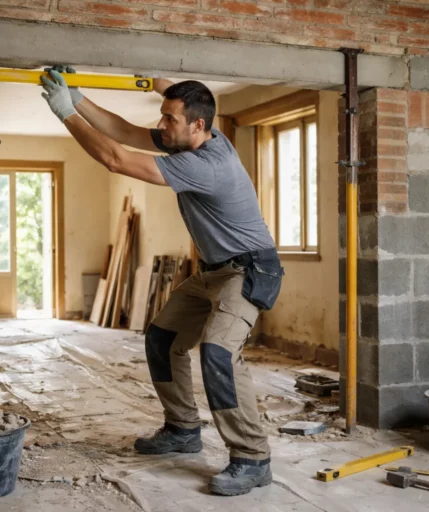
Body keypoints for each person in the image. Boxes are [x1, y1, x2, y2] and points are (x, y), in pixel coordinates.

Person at [40, 67, 284, 496]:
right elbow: (125, 129)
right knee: (161, 338)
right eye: (165, 115)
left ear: (197, 125)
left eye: (168, 119)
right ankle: (183, 429)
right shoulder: (202, 131)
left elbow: (116, 157)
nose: (160, 125)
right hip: (212, 271)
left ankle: (252, 457)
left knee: (218, 353)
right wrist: (84, 95)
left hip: (249, 270)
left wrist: (66, 114)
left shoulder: (205, 165)